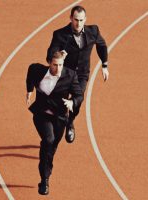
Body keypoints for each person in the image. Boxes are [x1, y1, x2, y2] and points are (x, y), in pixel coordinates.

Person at [46, 5, 109, 143]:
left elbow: (102, 45)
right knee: (60, 105)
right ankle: (54, 130)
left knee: (77, 100)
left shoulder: (94, 31)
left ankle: (70, 123)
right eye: (75, 20)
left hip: (81, 75)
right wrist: (58, 56)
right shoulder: (60, 34)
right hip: (64, 75)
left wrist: (104, 65)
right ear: (70, 18)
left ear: (85, 19)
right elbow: (50, 54)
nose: (78, 23)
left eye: (81, 20)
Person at [26, 51, 83, 195]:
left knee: (52, 147)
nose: (58, 69)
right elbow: (30, 70)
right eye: (55, 65)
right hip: (42, 115)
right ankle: (44, 180)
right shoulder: (38, 70)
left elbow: (79, 95)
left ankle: (47, 168)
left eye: (60, 65)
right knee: (48, 140)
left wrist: (72, 102)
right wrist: (29, 90)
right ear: (49, 63)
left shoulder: (70, 76)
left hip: (60, 118)